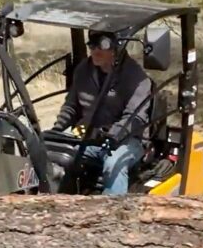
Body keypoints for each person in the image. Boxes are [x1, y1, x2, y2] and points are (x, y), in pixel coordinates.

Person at [52, 30, 153, 195]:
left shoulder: (137, 78)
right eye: (91, 45)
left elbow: (135, 117)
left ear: (117, 47)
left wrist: (112, 136)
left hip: (126, 140)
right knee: (55, 155)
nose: (95, 51)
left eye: (102, 46)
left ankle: (112, 214)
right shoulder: (83, 70)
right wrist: (57, 131)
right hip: (90, 137)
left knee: (114, 163)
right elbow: (71, 106)